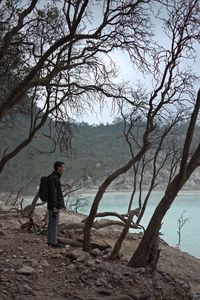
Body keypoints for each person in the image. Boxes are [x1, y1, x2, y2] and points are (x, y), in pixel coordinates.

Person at [47, 161, 66, 248]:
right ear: (58, 168)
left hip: (52, 205)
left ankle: (50, 242)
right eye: (62, 167)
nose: (63, 169)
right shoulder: (54, 178)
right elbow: (53, 194)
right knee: (54, 224)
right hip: (54, 206)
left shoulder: (54, 177)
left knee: (51, 223)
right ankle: (53, 243)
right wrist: (54, 206)